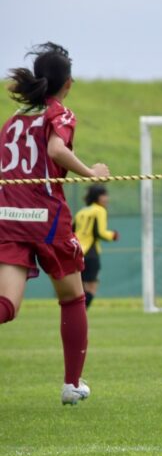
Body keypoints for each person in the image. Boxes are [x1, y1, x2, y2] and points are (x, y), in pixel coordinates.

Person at [0, 43, 110, 405]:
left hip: (7, 217)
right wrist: (91, 171)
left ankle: (72, 384)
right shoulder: (58, 113)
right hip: (44, 218)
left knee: (7, 306)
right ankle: (71, 384)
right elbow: (56, 152)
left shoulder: (15, 119)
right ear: (68, 83)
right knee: (73, 297)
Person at [74, 184, 119, 309]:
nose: (107, 198)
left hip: (77, 253)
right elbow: (100, 233)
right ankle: (79, 316)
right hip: (90, 253)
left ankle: (75, 316)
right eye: (104, 195)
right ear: (97, 197)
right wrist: (113, 235)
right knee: (92, 287)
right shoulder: (99, 210)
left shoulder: (81, 212)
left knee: (80, 290)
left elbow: (71, 231)